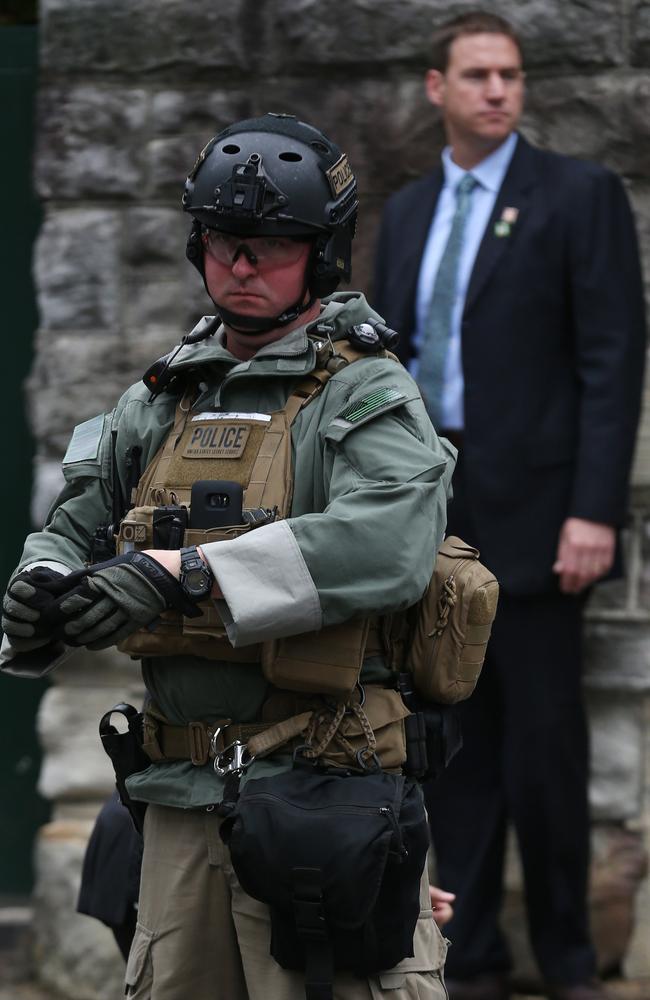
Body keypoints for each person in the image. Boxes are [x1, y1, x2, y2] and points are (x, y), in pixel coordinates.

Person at [1, 113, 456, 1000]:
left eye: (272, 246)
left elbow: (391, 545)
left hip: (323, 793)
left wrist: (182, 573)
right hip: (175, 800)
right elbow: (76, 523)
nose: (242, 265)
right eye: (222, 241)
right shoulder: (163, 395)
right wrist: (40, 587)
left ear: (321, 254)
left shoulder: (368, 393)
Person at [373, 12, 646, 1000]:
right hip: (426, 522)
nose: (497, 90)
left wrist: (592, 511)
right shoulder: (405, 213)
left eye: (510, 75)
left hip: (538, 526)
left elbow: (610, 364)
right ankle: (472, 957)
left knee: (541, 750)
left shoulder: (575, 196)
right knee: (450, 752)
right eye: (477, 74)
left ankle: (568, 962)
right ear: (433, 88)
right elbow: (383, 368)